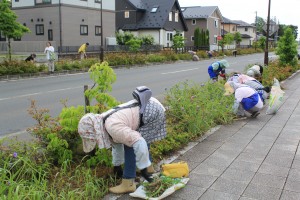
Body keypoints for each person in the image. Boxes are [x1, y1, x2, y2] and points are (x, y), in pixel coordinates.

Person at [78, 96, 166, 194]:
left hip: (152, 111)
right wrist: (117, 165)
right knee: (130, 140)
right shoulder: (103, 120)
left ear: (95, 131)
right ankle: (149, 171)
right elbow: (117, 145)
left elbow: (139, 141)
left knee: (131, 145)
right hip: (147, 107)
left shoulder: (112, 127)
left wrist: (144, 168)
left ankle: (129, 183)